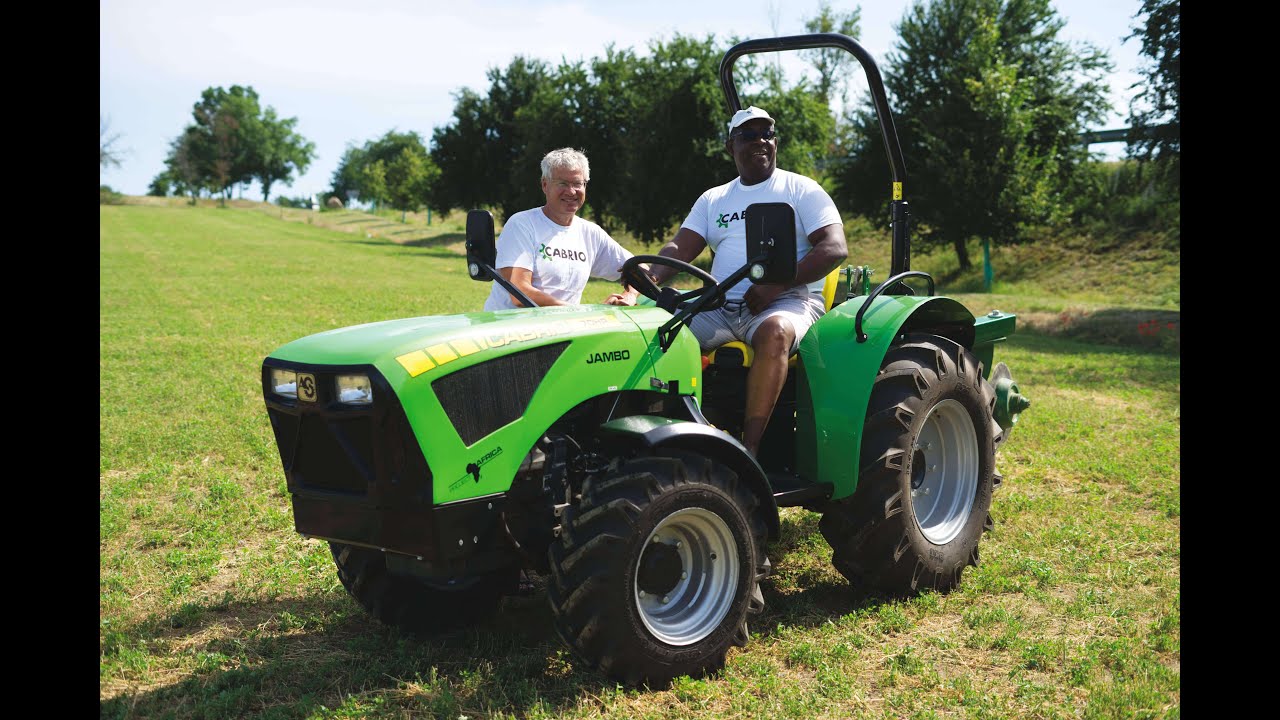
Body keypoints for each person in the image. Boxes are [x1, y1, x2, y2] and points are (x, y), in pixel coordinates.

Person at [646, 106, 848, 456]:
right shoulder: (714, 199)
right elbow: (681, 246)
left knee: (775, 333)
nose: (760, 141)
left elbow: (834, 247)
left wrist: (776, 285)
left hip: (788, 301)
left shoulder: (800, 189)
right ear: (730, 146)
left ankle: (749, 449)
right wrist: (648, 276)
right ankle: (680, 433)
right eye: (749, 135)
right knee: (659, 329)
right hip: (722, 305)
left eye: (767, 134)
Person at [483, 147, 638, 310]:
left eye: (578, 183)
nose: (571, 191)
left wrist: (630, 295)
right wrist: (582, 312)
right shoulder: (522, 225)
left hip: (563, 330)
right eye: (562, 183)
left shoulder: (591, 234)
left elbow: (639, 270)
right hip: (512, 331)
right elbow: (519, 293)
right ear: (545, 185)